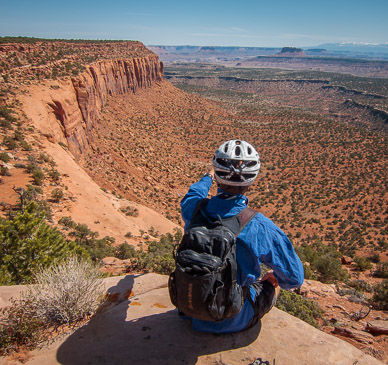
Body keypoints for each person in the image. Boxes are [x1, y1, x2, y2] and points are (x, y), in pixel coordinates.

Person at [180, 139, 304, 333]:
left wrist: (209, 176)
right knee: (272, 280)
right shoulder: (258, 225)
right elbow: (295, 278)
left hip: (190, 307)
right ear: (252, 181)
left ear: (219, 176)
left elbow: (194, 192)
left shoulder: (193, 209)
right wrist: (274, 276)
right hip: (233, 319)